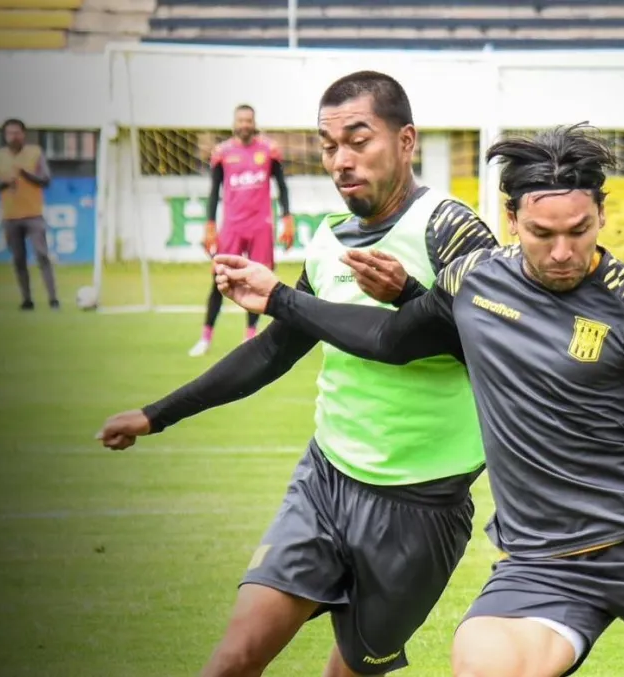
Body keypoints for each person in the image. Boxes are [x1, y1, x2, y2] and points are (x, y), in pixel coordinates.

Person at [214, 124, 624, 677]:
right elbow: (391, 337)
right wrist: (281, 298)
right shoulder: (472, 279)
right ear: (512, 219)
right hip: (540, 562)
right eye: (543, 233)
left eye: (580, 229)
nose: (563, 250)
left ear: (601, 215)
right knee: (481, 666)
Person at [96, 71, 498, 676]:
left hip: (424, 505)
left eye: (359, 140)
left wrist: (409, 296)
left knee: (348, 672)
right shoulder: (326, 241)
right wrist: (157, 414)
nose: (341, 160)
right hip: (326, 482)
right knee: (234, 657)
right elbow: (273, 350)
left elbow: (492, 350)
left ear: (407, 141)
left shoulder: (452, 231)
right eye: (329, 146)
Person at [188, 104, 296, 357]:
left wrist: (287, 217)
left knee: (257, 280)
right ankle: (205, 337)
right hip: (233, 226)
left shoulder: (269, 150)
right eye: (241, 120)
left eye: (249, 120)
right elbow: (214, 191)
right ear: (234, 123)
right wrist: (210, 225)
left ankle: (250, 336)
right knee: (219, 279)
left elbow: (282, 186)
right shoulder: (222, 153)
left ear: (254, 122)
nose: (245, 124)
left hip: (261, 225)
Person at [0, 118, 58, 311]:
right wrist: (5, 182)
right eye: (9, 133)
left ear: (23, 134)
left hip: (33, 215)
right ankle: (27, 300)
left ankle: (53, 299)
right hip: (10, 216)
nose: (13, 137)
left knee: (42, 255)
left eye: (17, 133)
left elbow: (46, 179)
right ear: (4, 135)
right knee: (18, 259)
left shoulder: (35, 153)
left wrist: (26, 174)